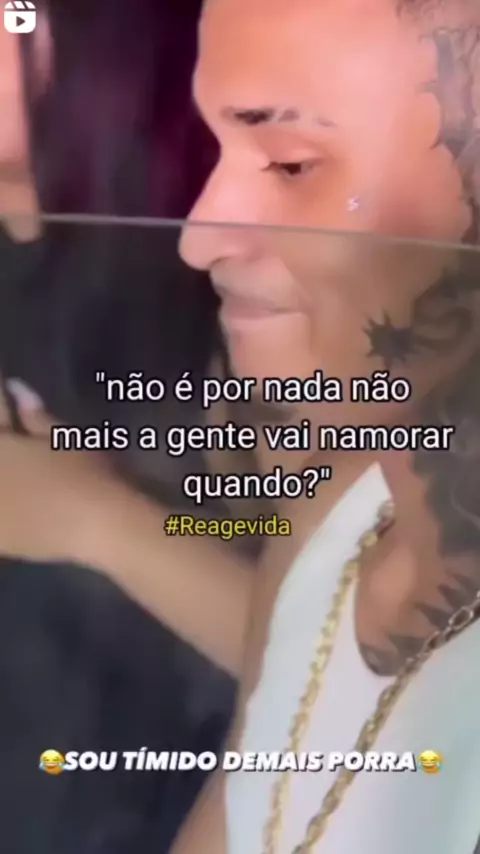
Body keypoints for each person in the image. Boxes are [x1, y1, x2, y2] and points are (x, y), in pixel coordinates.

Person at [2, 0, 480, 852]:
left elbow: (303, 632)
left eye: (292, 166)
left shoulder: (259, 326)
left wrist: (93, 519)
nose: (203, 237)